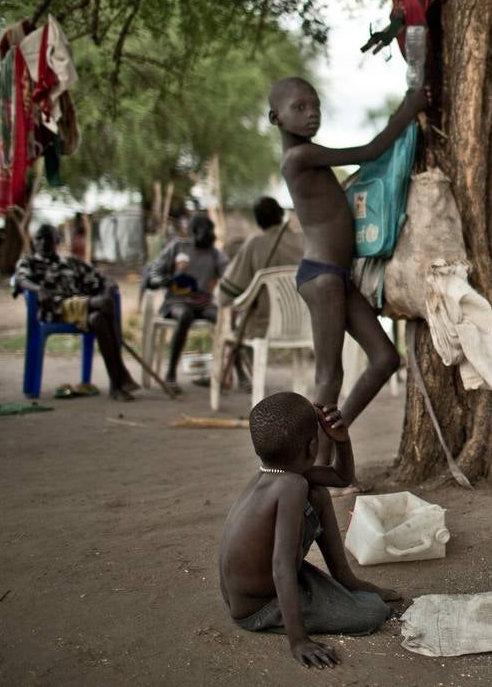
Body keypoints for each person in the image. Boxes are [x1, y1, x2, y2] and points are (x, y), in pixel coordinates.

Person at [269, 76, 425, 447]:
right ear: (275, 118)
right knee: (329, 376)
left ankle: (332, 436)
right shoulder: (299, 157)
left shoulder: (308, 155)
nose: (312, 115)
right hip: (321, 277)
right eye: (300, 108)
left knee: (385, 358)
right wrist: (410, 107)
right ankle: (311, 463)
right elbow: (371, 151)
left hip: (336, 277)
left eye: (315, 106)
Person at [219, 392, 400, 668]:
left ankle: (346, 579)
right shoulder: (291, 486)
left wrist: (343, 441)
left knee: (318, 494)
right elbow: (281, 566)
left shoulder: (276, 475)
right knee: (374, 612)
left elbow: (341, 477)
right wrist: (298, 640)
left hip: (245, 594)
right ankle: (333, 599)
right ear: (313, 446)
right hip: (260, 607)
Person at [13, 224, 139, 401]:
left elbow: (101, 278)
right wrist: (38, 288)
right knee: (105, 303)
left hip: (82, 309)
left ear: (57, 241)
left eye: (47, 238)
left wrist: (109, 286)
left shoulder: (71, 262)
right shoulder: (30, 262)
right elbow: (21, 280)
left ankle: (116, 386)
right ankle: (121, 373)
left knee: (99, 319)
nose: (42, 243)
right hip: (56, 310)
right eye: (39, 238)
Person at [216, 197, 306, 389]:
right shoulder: (304, 241)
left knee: (239, 321)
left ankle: (245, 378)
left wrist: (224, 299)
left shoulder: (255, 244)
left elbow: (227, 292)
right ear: (281, 215)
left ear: (257, 221)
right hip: (305, 326)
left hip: (265, 326)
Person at [144, 213, 228, 393]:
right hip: (177, 302)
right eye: (205, 232)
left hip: (203, 303)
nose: (209, 236)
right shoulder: (177, 247)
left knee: (223, 319)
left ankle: (232, 373)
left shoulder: (214, 254)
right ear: (193, 232)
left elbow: (229, 274)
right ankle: (170, 374)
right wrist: (161, 280)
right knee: (185, 315)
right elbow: (155, 272)